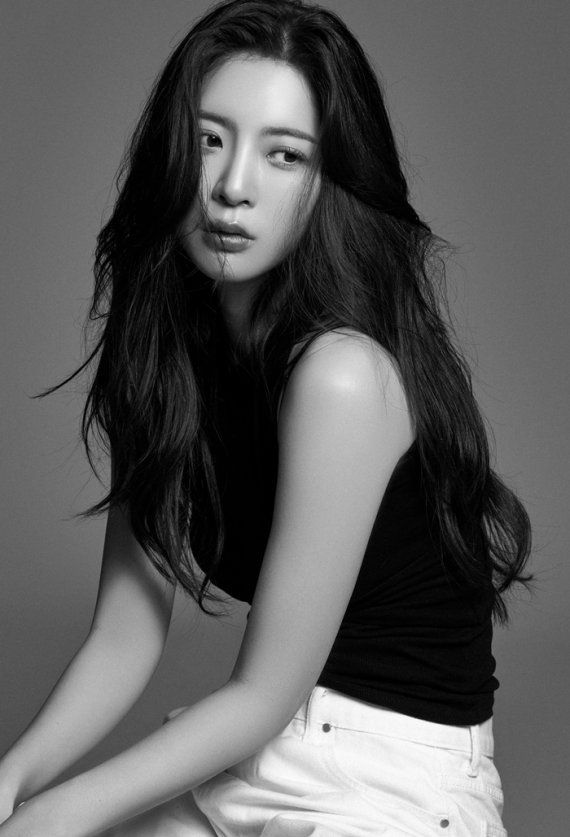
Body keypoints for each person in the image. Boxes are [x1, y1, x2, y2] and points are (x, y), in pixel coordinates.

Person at [0, 1, 532, 834]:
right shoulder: (168, 354)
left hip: (395, 782)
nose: (231, 187)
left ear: (331, 179)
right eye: (209, 139)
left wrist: (57, 815)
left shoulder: (343, 375)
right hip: (255, 760)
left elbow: (262, 692)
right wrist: (12, 779)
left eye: (284, 154)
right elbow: (124, 636)